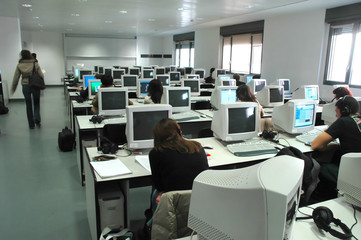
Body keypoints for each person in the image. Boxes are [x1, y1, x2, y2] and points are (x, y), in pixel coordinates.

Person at [147, 118, 209, 227]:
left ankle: (152, 225)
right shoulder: (197, 146)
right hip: (199, 196)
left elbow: (159, 185)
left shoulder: (155, 153)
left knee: (155, 194)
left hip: (173, 199)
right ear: (179, 132)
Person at [311, 96, 361, 186]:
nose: (336, 115)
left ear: (344, 111)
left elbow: (315, 145)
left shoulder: (343, 121)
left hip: (352, 173)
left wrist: (334, 145)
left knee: (321, 167)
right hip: (358, 169)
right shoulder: (358, 119)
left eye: (336, 112)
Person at [11, 50, 45, 129]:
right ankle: (37, 118)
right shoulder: (35, 63)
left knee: (28, 104)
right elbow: (41, 75)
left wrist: (13, 88)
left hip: (25, 86)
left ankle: (31, 124)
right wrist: (41, 82)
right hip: (35, 85)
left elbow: (16, 78)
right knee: (36, 103)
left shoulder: (19, 65)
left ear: (22, 56)